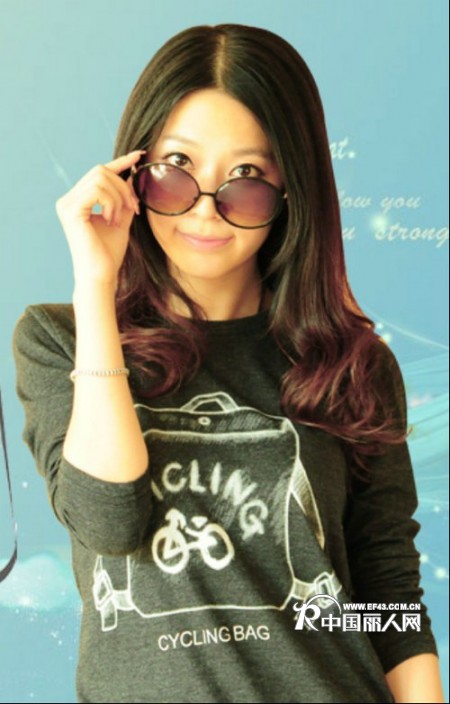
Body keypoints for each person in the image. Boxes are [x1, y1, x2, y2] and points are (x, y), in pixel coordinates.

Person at [13, 23, 444, 704]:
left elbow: (386, 596)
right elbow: (107, 522)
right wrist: (96, 287)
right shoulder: (62, 338)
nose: (207, 209)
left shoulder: (351, 366)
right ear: (133, 172)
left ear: (291, 189)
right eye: (177, 167)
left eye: (247, 177)